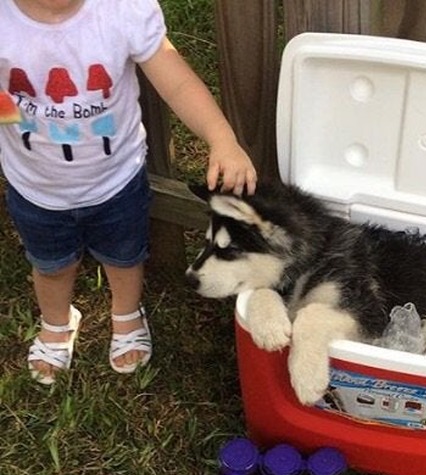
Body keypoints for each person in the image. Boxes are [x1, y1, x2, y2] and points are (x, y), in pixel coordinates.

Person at [0, 0, 258, 384]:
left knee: (124, 258)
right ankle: (56, 322)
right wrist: (13, 115)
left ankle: (126, 315)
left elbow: (179, 83)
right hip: (35, 188)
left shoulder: (123, 9)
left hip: (117, 181)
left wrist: (221, 138)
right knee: (51, 266)